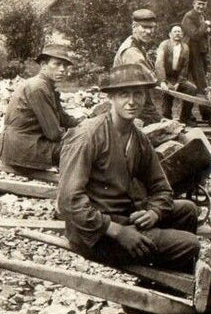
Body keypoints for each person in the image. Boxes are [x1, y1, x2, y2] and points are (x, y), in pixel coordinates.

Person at [56, 62, 201, 273]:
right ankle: (157, 290)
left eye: (138, 94)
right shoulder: (88, 135)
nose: (132, 102)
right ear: (111, 97)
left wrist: (154, 212)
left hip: (124, 217)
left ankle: (167, 278)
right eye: (124, 94)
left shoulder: (139, 139)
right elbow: (68, 201)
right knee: (190, 245)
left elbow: (161, 187)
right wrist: (116, 231)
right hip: (94, 234)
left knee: (188, 210)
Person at [0, 44, 81, 170]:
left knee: (82, 143)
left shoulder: (47, 86)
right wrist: (81, 135)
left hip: (25, 143)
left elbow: (63, 118)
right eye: (57, 64)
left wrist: (85, 124)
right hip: (22, 148)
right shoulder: (38, 87)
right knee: (83, 147)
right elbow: (53, 134)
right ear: (43, 65)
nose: (62, 69)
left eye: (65, 65)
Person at [113, 8, 162, 125]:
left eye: (151, 27)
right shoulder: (131, 51)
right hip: (130, 102)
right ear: (134, 27)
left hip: (138, 98)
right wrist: (160, 83)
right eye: (144, 27)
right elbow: (149, 78)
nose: (149, 31)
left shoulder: (138, 45)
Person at [155, 24, 202, 123]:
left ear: (182, 34)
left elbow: (185, 67)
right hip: (166, 77)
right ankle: (166, 119)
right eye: (175, 31)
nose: (177, 33)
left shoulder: (185, 47)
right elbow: (159, 64)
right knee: (167, 97)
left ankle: (185, 117)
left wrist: (178, 82)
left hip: (178, 78)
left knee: (192, 89)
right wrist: (163, 81)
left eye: (179, 31)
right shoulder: (164, 45)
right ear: (170, 34)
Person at [180, 0, 211, 123]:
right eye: (199, 4)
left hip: (200, 54)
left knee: (202, 84)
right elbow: (194, 35)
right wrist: (205, 25)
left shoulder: (201, 17)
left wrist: (209, 28)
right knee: (193, 86)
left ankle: (205, 114)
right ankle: (186, 116)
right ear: (194, 4)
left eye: (203, 4)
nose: (201, 6)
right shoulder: (188, 17)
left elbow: (205, 34)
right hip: (191, 55)